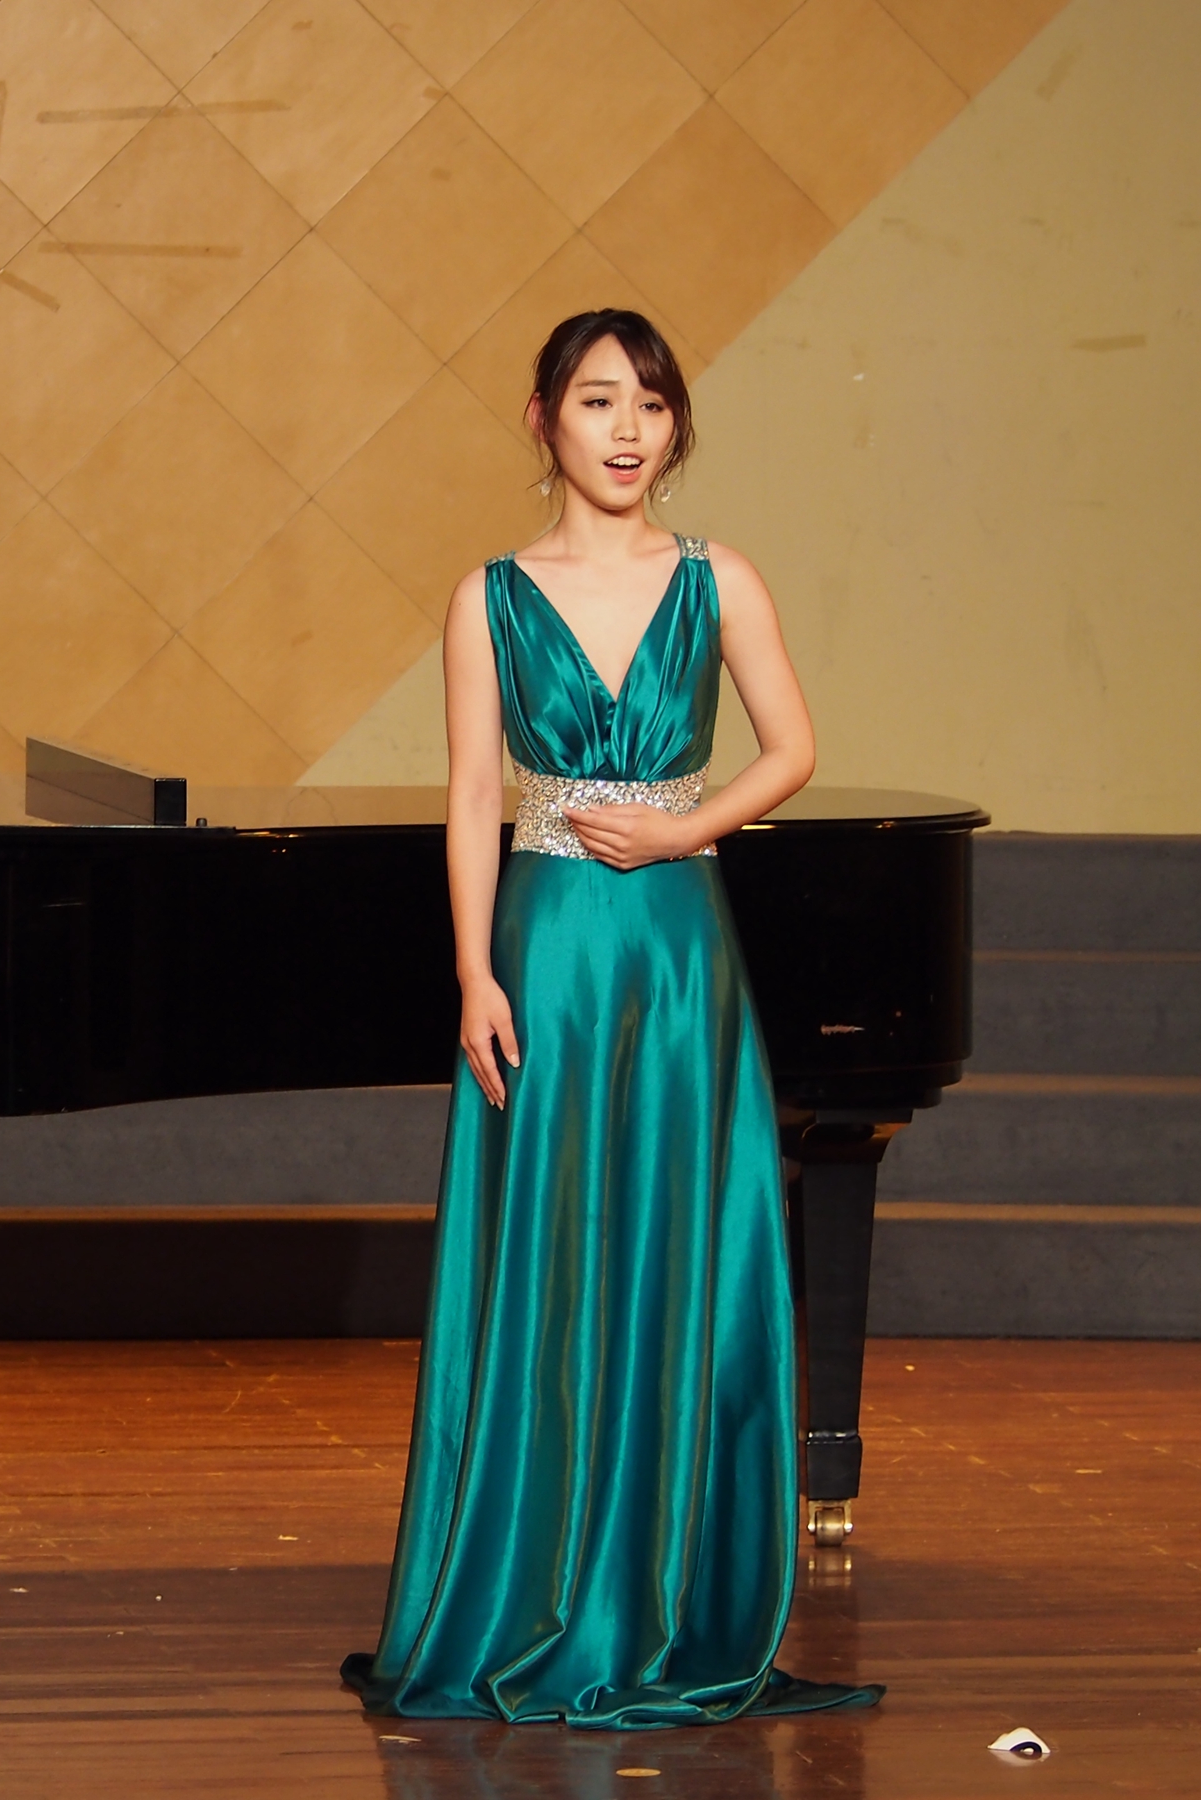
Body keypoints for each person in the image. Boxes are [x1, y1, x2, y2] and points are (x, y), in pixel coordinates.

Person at [343, 312, 881, 1726]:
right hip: (547, 949)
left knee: (676, 1249)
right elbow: (472, 792)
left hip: (678, 950)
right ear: (544, 421)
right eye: (597, 401)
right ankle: (529, 1589)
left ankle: (664, 1594)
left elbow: (794, 748)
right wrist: (473, 974)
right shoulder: (488, 597)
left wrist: (685, 828)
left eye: (649, 402)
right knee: (550, 1253)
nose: (628, 428)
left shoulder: (719, 579)